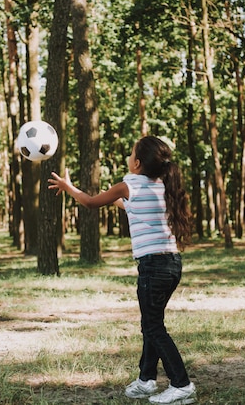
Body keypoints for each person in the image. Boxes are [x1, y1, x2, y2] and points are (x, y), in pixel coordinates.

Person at [48, 135, 196, 405]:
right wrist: (97, 193)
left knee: (153, 326)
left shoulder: (129, 184)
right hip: (172, 265)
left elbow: (92, 203)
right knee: (151, 324)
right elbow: (124, 205)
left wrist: (68, 187)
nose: (128, 158)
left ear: (137, 163)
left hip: (153, 267)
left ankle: (182, 384)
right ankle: (146, 380)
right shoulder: (161, 186)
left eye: (130, 153)